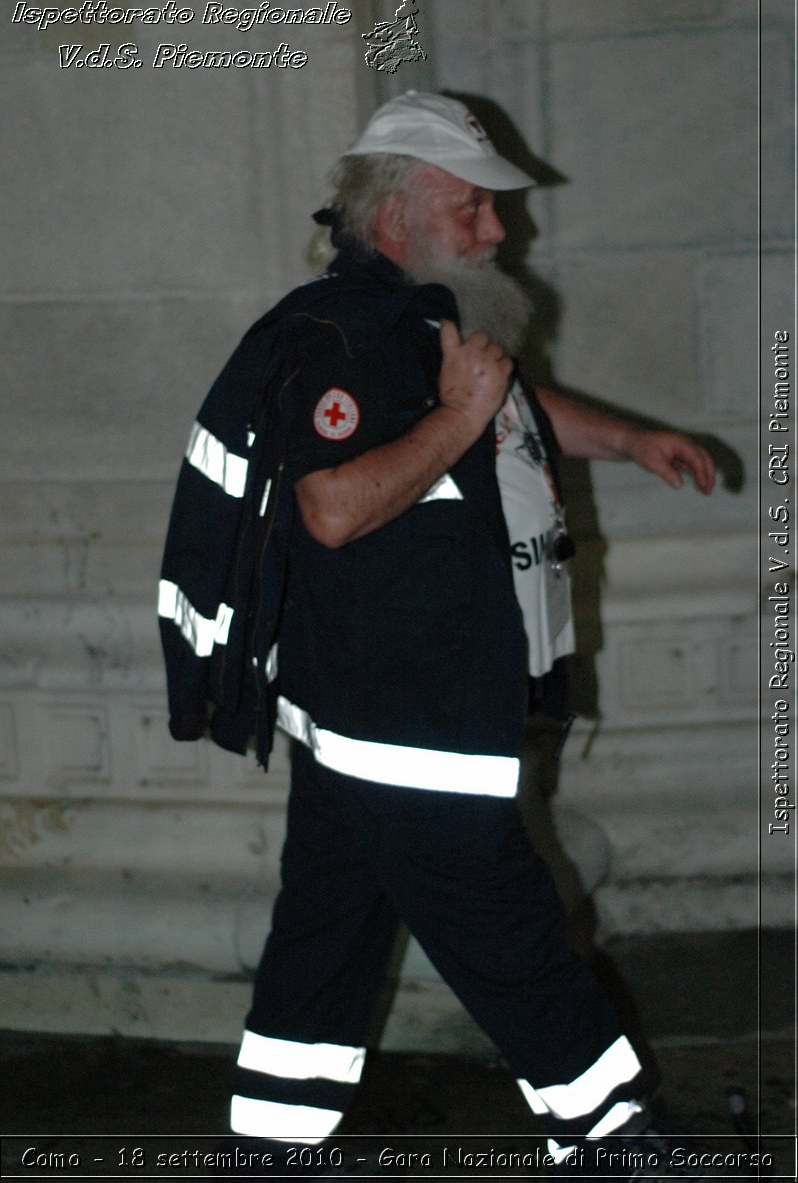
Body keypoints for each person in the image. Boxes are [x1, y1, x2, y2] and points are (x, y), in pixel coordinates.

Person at [158, 91, 715, 1174]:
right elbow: (333, 507)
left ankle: (272, 1141)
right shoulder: (349, 332)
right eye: (471, 208)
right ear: (398, 215)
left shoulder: (418, 321)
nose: (497, 231)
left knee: (330, 926)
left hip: (367, 710)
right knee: (505, 925)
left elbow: (504, 409)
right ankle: (613, 1137)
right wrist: (458, 417)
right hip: (402, 708)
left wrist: (629, 438)